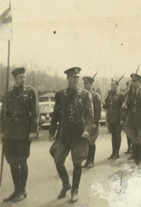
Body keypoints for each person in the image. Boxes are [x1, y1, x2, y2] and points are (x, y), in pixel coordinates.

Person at [49, 67, 94, 203]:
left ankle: (75, 189)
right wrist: (51, 130)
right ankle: (66, 184)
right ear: (67, 78)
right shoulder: (60, 95)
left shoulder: (86, 95)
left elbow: (90, 115)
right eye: (73, 78)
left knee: (77, 162)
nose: (76, 80)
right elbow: (56, 114)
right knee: (57, 159)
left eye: (77, 78)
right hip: (64, 133)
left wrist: (87, 129)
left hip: (79, 133)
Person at [0, 67, 39, 202]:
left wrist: (34, 130)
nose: (23, 79)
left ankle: (22, 191)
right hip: (10, 132)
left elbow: (35, 113)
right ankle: (16, 190)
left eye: (24, 77)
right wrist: (2, 131)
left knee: (22, 161)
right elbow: (3, 114)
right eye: (20, 77)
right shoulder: (7, 93)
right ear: (14, 78)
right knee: (11, 161)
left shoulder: (30, 92)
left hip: (23, 132)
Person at [122, 73, 141, 166]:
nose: (133, 83)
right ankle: (135, 159)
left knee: (140, 139)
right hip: (131, 119)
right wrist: (125, 106)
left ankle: (140, 160)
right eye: (132, 81)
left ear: (139, 82)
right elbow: (128, 105)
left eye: (135, 81)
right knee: (133, 139)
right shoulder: (130, 93)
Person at [82, 76, 102, 168]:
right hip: (85, 123)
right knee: (86, 142)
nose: (85, 85)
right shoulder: (83, 95)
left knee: (91, 141)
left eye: (87, 83)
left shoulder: (96, 96)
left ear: (91, 84)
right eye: (84, 83)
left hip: (92, 123)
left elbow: (98, 111)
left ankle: (91, 161)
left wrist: (95, 123)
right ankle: (87, 160)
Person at [103, 78, 125, 159]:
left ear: (117, 86)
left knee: (117, 134)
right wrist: (104, 103)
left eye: (113, 85)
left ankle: (117, 153)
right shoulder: (109, 94)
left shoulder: (120, 95)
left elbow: (123, 108)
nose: (112, 86)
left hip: (118, 117)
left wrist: (122, 119)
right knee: (113, 135)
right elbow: (107, 105)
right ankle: (113, 152)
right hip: (111, 117)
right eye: (111, 84)